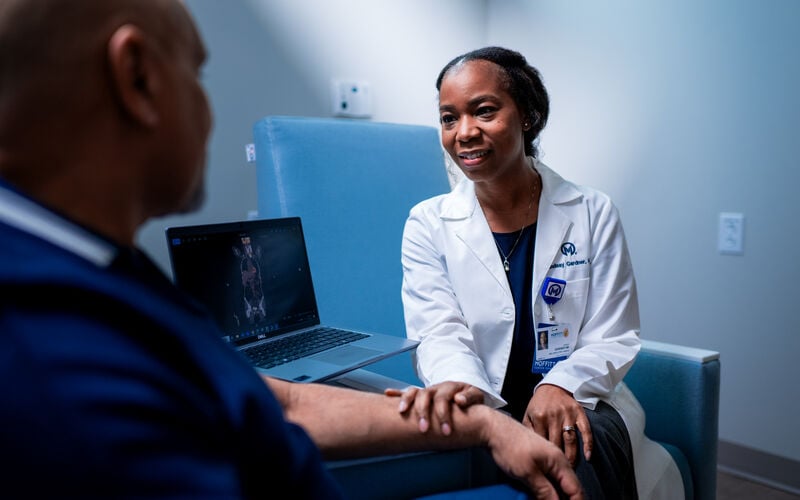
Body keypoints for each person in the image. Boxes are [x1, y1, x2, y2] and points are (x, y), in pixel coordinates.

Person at [0, 3, 584, 499]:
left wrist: (481, 423)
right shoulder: (55, 365)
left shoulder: (99, 274)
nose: (208, 110)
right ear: (138, 79)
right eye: (196, 72)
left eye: (484, 111)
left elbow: (285, 405)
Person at [397, 46, 652, 499]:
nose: (465, 132)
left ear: (528, 116)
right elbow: (438, 333)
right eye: (449, 118)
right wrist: (483, 412)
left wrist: (559, 385)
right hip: (477, 399)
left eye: (484, 111)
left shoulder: (592, 211)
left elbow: (613, 334)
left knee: (569, 447)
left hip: (578, 398)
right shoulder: (427, 223)